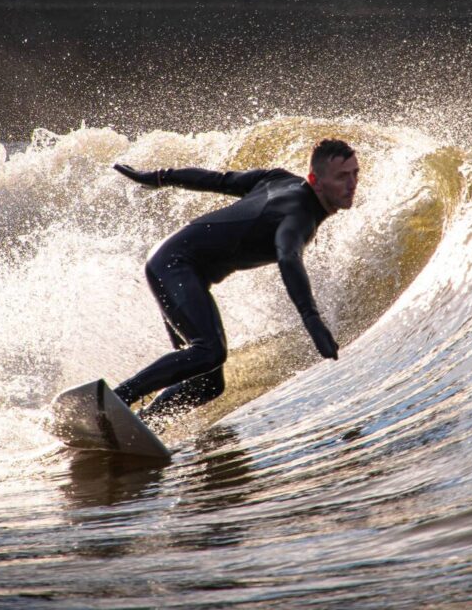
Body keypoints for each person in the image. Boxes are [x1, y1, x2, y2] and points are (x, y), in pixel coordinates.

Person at [110, 138, 359, 423]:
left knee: (209, 383)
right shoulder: (299, 215)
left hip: (177, 267)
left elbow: (218, 180)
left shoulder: (277, 179)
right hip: (174, 265)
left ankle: (143, 423)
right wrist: (311, 318)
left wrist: (159, 177)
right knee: (208, 352)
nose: (352, 184)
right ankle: (115, 400)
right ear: (315, 180)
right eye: (342, 176)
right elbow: (287, 255)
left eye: (355, 174)